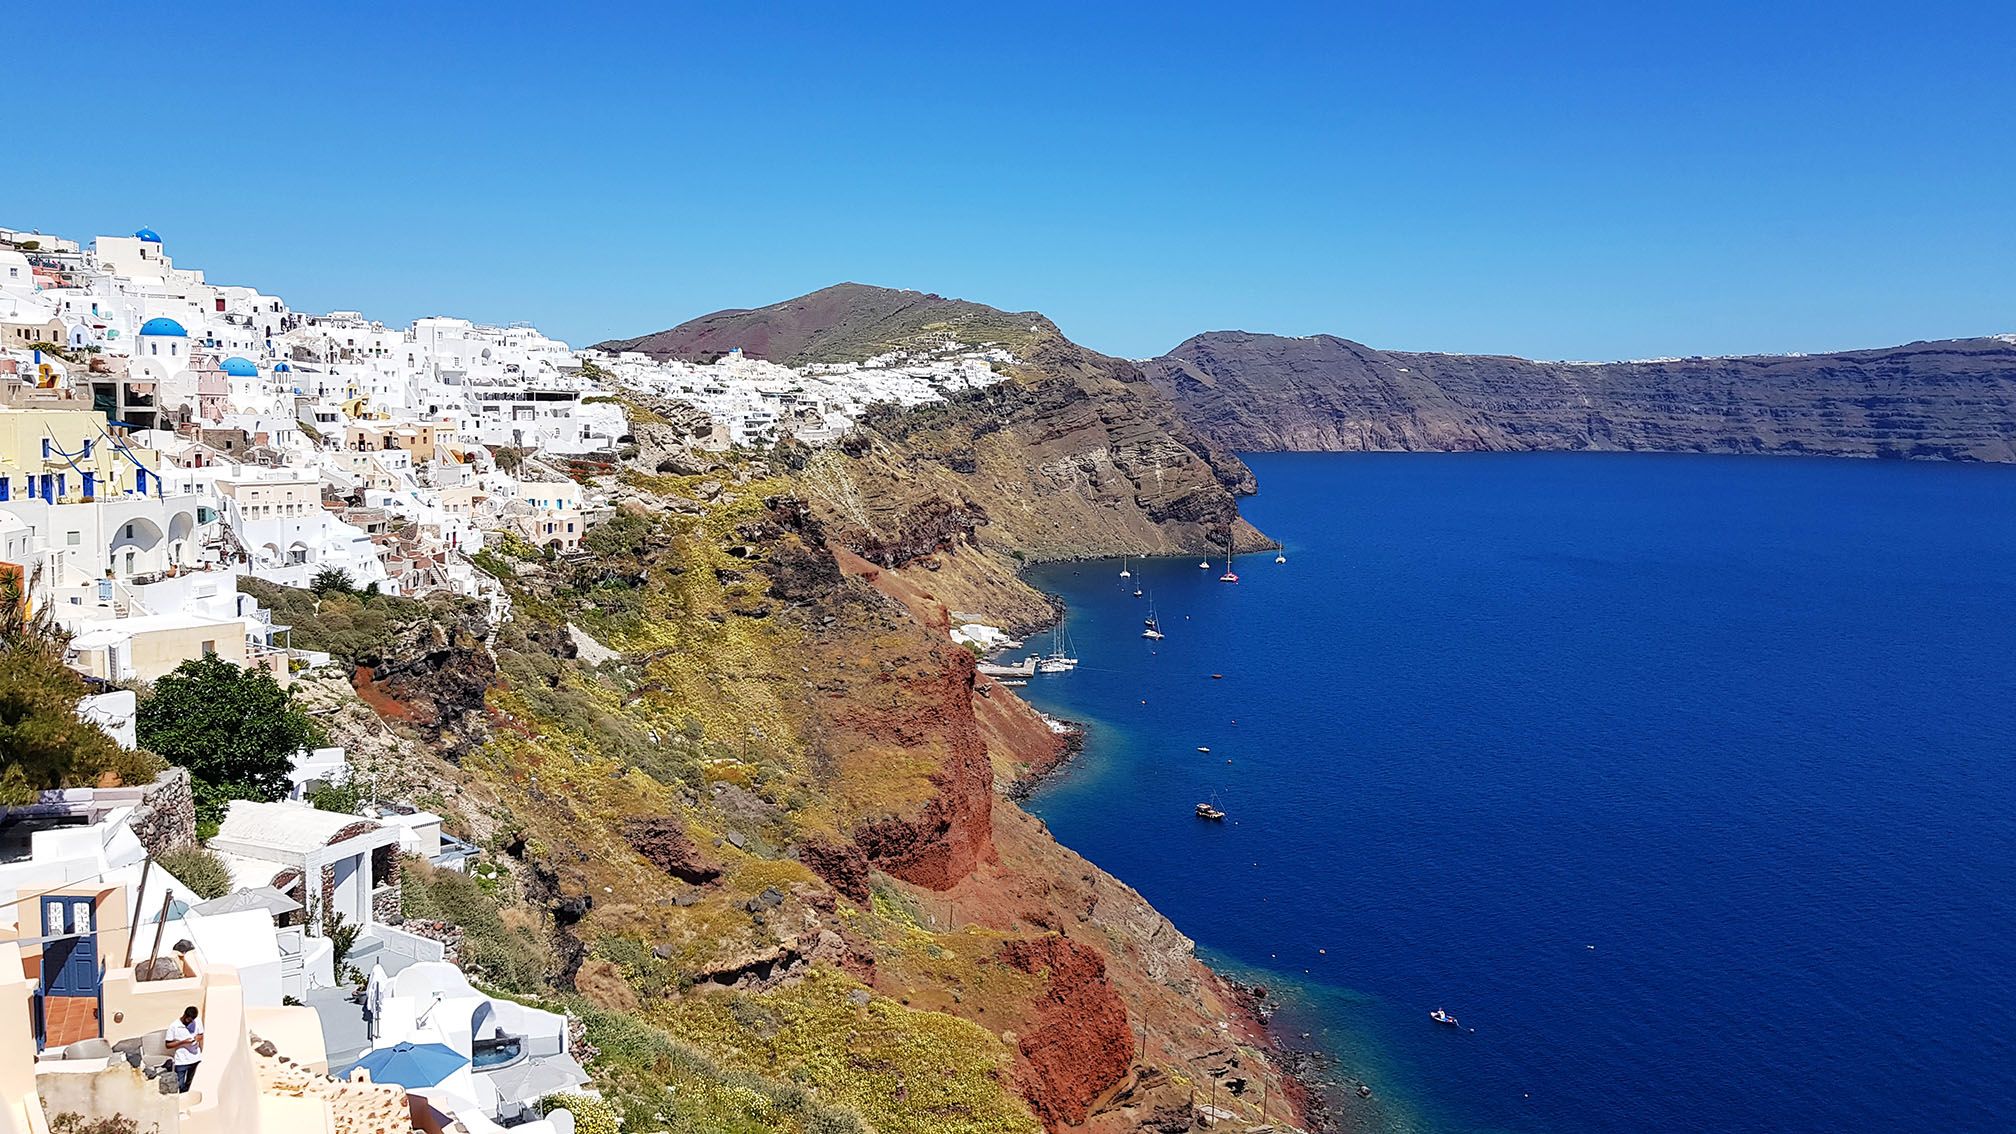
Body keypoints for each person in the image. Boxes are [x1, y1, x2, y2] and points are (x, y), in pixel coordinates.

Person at [166, 1005, 203, 1092]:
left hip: (195, 1058)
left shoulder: (197, 1021)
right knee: (180, 1085)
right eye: (189, 1020)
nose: (191, 1022)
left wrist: (198, 1038)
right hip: (182, 1061)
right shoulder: (174, 1026)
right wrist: (183, 1042)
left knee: (191, 1083)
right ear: (185, 1016)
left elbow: (201, 1034)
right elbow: (168, 1045)